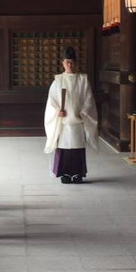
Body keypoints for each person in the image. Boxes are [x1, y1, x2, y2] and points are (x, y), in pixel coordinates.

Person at [44, 46, 98, 184]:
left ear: (76, 63)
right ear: (62, 63)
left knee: (77, 149)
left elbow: (88, 100)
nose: (70, 65)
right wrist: (57, 111)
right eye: (67, 62)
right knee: (64, 149)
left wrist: (84, 112)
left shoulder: (83, 80)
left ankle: (78, 174)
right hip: (63, 122)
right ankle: (64, 174)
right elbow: (52, 100)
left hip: (78, 120)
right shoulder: (58, 80)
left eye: (72, 62)